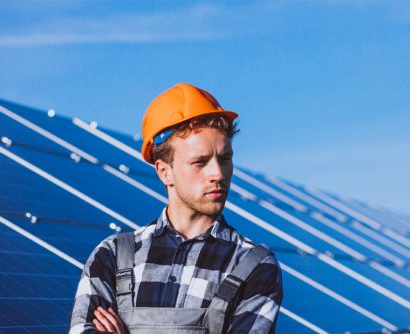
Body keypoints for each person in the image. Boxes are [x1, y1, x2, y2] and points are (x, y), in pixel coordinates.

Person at [68, 83, 283, 334]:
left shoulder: (253, 264)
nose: (217, 173)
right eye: (200, 162)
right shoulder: (112, 256)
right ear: (164, 172)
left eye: (224, 159)